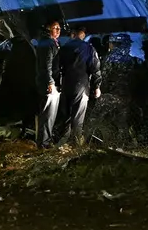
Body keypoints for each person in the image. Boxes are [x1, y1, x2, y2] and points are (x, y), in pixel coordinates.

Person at [52, 24, 101, 147]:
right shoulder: (89, 48)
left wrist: (57, 83)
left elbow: (56, 68)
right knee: (78, 117)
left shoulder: (64, 48)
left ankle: (61, 143)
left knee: (65, 116)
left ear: (73, 34)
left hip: (66, 84)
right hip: (82, 86)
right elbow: (95, 69)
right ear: (82, 34)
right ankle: (76, 145)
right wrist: (96, 86)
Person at [32, 19, 62, 148]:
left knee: (50, 114)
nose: (58, 30)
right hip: (49, 84)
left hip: (53, 82)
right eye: (55, 28)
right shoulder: (47, 43)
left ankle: (46, 141)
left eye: (59, 28)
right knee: (47, 114)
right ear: (48, 29)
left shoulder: (53, 43)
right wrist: (50, 82)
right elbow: (46, 65)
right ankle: (43, 144)